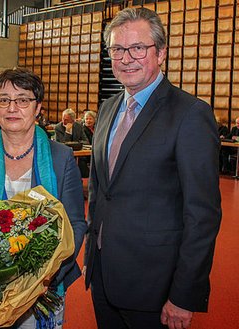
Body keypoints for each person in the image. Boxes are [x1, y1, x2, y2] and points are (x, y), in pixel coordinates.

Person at [84, 7, 221, 329]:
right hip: (103, 272)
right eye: (118, 49)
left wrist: (184, 295)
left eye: (138, 48)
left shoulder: (190, 114)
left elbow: (202, 215)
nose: (126, 58)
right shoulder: (107, 108)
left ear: (160, 53)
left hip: (155, 286)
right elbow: (102, 191)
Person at [0, 67, 87, 328]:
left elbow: (75, 224)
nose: (12, 107)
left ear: (37, 108)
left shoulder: (61, 158)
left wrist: (48, 276)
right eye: (4, 99)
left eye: (23, 99)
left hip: (43, 291)